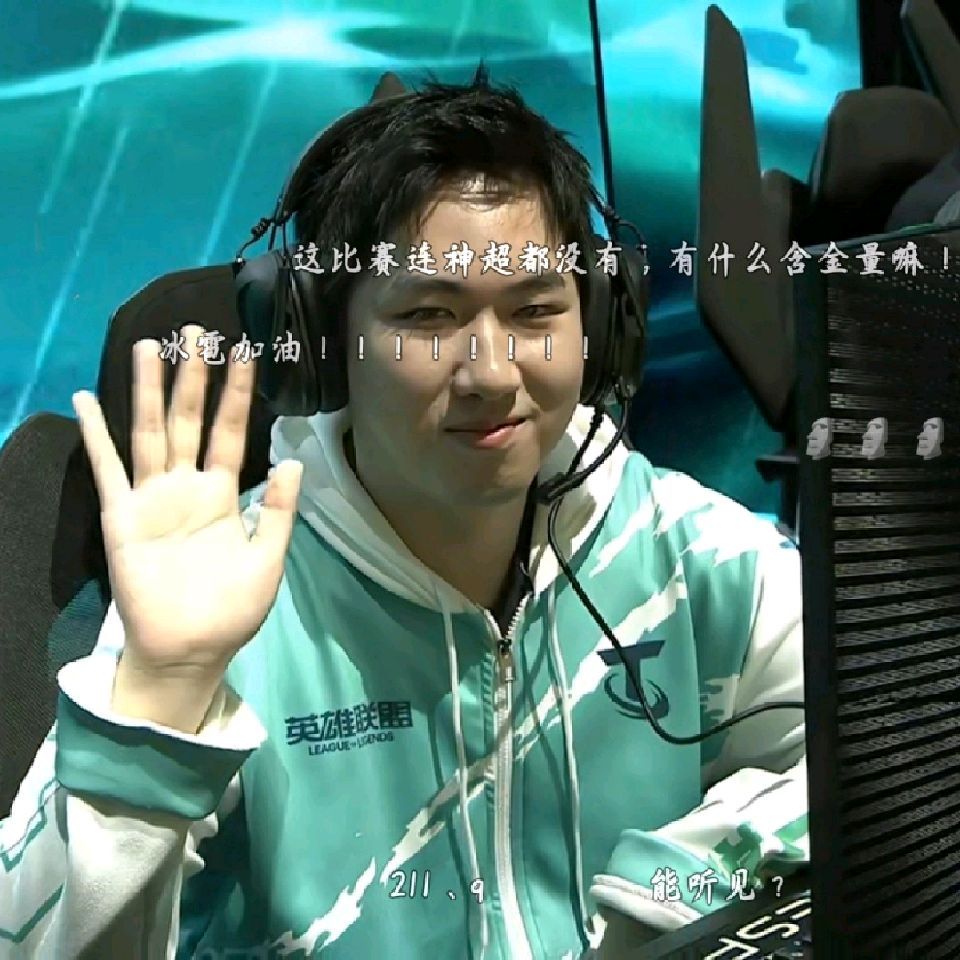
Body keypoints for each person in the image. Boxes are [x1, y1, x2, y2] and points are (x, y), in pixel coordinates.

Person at [0, 67, 807, 959]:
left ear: (602, 323)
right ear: (323, 346)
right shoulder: (223, 597)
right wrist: (157, 706)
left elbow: (894, 740)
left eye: (536, 309)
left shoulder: (684, 549)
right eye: (428, 316)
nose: (492, 372)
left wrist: (659, 905)